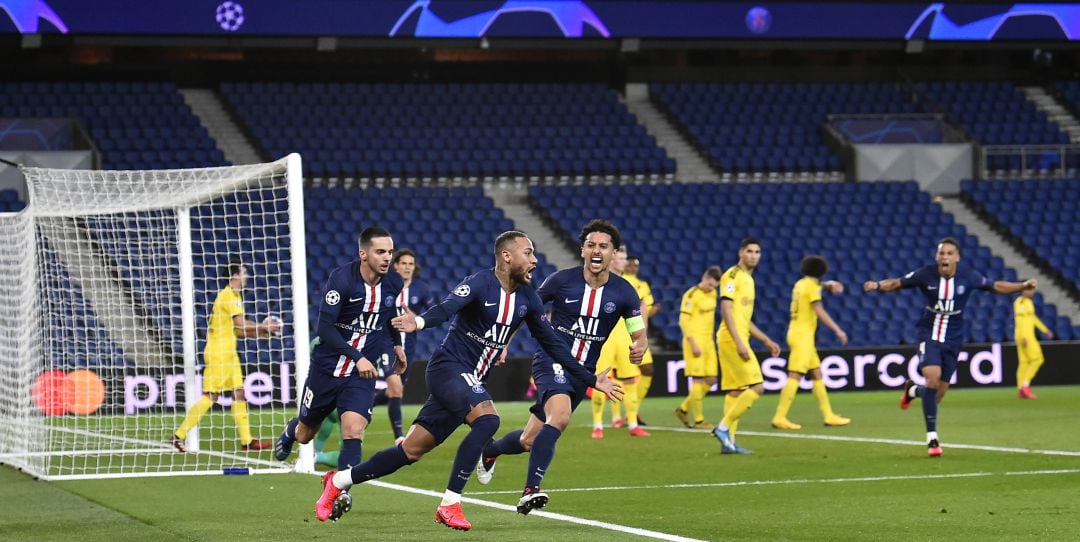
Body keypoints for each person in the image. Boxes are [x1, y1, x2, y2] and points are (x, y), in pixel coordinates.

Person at [312, 230, 622, 530]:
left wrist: (591, 379)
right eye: (528, 253)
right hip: (448, 368)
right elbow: (446, 309)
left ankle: (338, 480)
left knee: (410, 451)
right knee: (488, 420)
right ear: (506, 256)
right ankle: (450, 504)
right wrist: (418, 322)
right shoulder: (480, 283)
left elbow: (554, 344)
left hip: (467, 380)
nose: (534, 260)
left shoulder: (528, 297)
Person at [477, 220, 645, 513]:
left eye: (603, 246)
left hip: (583, 373)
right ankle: (531, 490)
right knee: (562, 416)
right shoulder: (560, 281)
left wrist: (640, 346)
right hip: (551, 360)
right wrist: (504, 341)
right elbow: (522, 309)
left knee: (530, 439)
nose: (596, 250)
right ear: (582, 250)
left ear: (613, 253)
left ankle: (490, 450)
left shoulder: (625, 292)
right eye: (591, 245)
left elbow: (638, 332)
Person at [864, 237, 1036, 457]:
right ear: (937, 257)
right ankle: (932, 440)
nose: (944, 257)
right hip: (929, 334)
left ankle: (913, 391)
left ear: (957, 257)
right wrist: (877, 285)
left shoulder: (968, 276)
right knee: (932, 379)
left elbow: (995, 286)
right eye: (941, 253)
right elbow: (896, 283)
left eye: (948, 253)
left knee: (937, 394)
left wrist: (1021, 286)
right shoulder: (925, 274)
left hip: (953, 339)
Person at [273, 227, 405, 480]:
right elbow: (324, 328)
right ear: (363, 254)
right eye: (380, 252)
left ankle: (340, 489)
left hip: (361, 374)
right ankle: (292, 429)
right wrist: (357, 357)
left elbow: (390, 315)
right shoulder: (342, 279)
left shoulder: (393, 283)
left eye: (390, 252)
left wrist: (397, 345)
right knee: (305, 435)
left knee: (354, 430)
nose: (387, 257)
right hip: (327, 368)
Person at [171, 261, 281, 453]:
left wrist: (263, 332)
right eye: (244, 272)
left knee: (239, 393)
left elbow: (239, 332)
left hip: (229, 354)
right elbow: (241, 324)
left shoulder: (234, 297)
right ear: (235, 275)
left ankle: (247, 441)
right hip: (219, 353)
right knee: (211, 396)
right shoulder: (228, 296)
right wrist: (263, 327)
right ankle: (178, 435)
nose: (247, 276)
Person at [712, 238, 782, 455]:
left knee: (735, 391)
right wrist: (739, 342)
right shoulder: (731, 276)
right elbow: (726, 310)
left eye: (757, 252)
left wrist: (766, 340)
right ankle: (723, 429)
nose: (753, 255)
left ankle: (729, 442)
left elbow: (744, 318)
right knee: (757, 386)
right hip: (731, 338)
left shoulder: (749, 280)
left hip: (737, 336)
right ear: (741, 252)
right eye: (749, 251)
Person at [771, 255, 851, 430]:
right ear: (821, 271)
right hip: (803, 336)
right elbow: (819, 310)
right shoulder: (811, 288)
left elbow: (816, 286)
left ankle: (828, 415)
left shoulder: (801, 284)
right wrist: (837, 330)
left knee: (817, 373)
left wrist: (829, 285)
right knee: (796, 375)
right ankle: (779, 416)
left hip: (796, 332)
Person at [590, 245, 651, 438]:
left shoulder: (632, 283)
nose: (624, 262)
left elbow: (643, 308)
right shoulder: (598, 278)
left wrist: (643, 336)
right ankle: (597, 425)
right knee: (600, 379)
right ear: (612, 257)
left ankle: (633, 423)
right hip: (604, 337)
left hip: (625, 336)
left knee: (631, 379)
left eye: (625, 258)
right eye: (621, 258)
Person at [603, 253, 659, 428]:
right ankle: (616, 416)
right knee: (619, 375)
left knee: (647, 369)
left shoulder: (640, 285)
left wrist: (645, 329)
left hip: (635, 332)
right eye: (629, 263)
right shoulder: (612, 279)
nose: (632, 267)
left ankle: (633, 411)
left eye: (635, 264)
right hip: (617, 333)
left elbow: (644, 307)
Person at [674, 266, 723, 429]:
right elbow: (683, 321)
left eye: (714, 287)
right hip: (694, 340)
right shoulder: (691, 294)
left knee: (711, 380)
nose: (711, 288)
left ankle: (683, 408)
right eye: (710, 285)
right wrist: (692, 342)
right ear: (705, 277)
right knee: (698, 379)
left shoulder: (713, 294)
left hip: (709, 341)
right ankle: (700, 419)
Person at [1014, 288, 1054, 399]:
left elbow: (1033, 318)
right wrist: (1023, 336)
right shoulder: (1020, 302)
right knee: (1038, 359)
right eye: (1029, 290)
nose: (1032, 292)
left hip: (1024, 336)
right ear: (1024, 290)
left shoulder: (1028, 302)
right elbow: (1019, 321)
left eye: (1032, 290)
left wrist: (1045, 330)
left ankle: (1021, 389)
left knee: (1024, 363)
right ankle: (1025, 386)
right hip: (1026, 337)